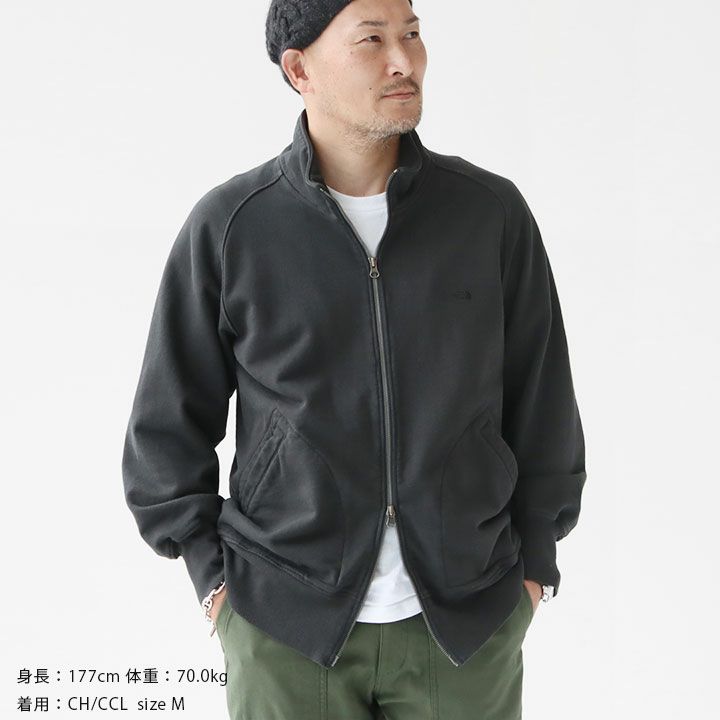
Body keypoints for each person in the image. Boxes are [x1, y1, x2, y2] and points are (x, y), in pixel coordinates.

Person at [121, 0, 587, 717]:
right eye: (371, 40)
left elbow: (543, 402)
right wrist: (215, 583)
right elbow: (165, 431)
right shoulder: (234, 226)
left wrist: (534, 569)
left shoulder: (488, 214)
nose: (404, 60)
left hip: (467, 622)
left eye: (412, 34)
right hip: (284, 625)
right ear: (300, 69)